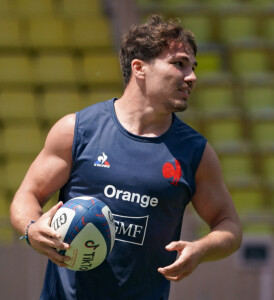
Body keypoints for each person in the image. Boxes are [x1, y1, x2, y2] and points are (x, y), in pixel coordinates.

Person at [10, 15, 242, 300]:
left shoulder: (195, 152)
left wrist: (201, 250)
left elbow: (229, 225)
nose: (191, 76)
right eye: (179, 64)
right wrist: (32, 229)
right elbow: (27, 195)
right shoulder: (77, 130)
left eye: (192, 67)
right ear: (139, 68)